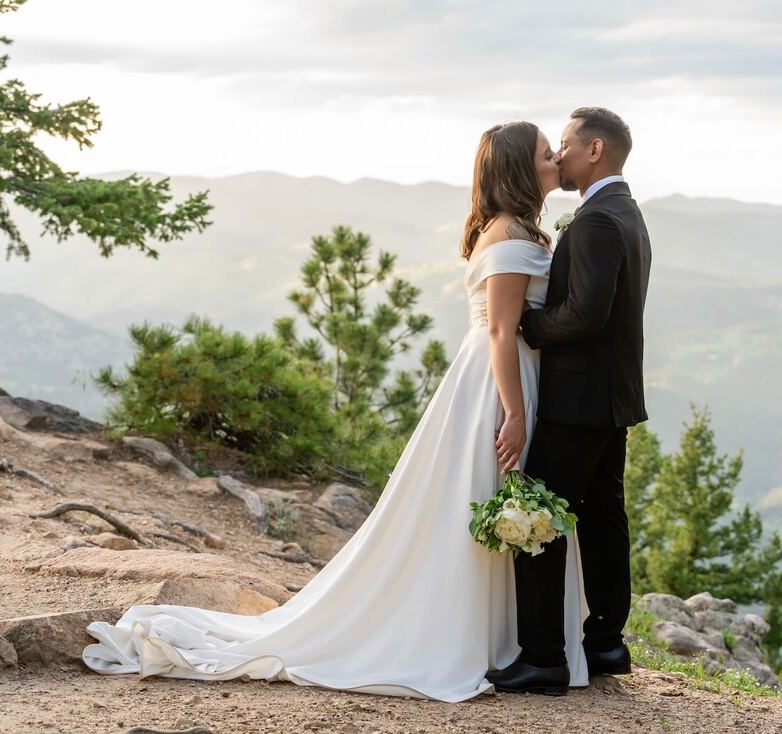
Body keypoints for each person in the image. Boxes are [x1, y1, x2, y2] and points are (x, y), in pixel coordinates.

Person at [81, 120, 592, 702]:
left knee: (485, 502)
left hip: (500, 375)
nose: (555, 160)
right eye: (546, 154)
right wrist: (516, 412)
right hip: (498, 383)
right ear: (519, 170)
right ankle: (480, 639)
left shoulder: (511, 230)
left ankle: (508, 640)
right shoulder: (510, 238)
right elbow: (502, 331)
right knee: (488, 496)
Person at [486, 107, 652, 695]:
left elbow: (586, 313)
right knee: (605, 519)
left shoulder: (597, 222)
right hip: (614, 398)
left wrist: (531, 327)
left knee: (537, 513)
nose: (559, 156)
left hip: (580, 401)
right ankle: (606, 642)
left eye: (565, 145)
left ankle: (542, 656)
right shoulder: (625, 213)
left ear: (596, 149)